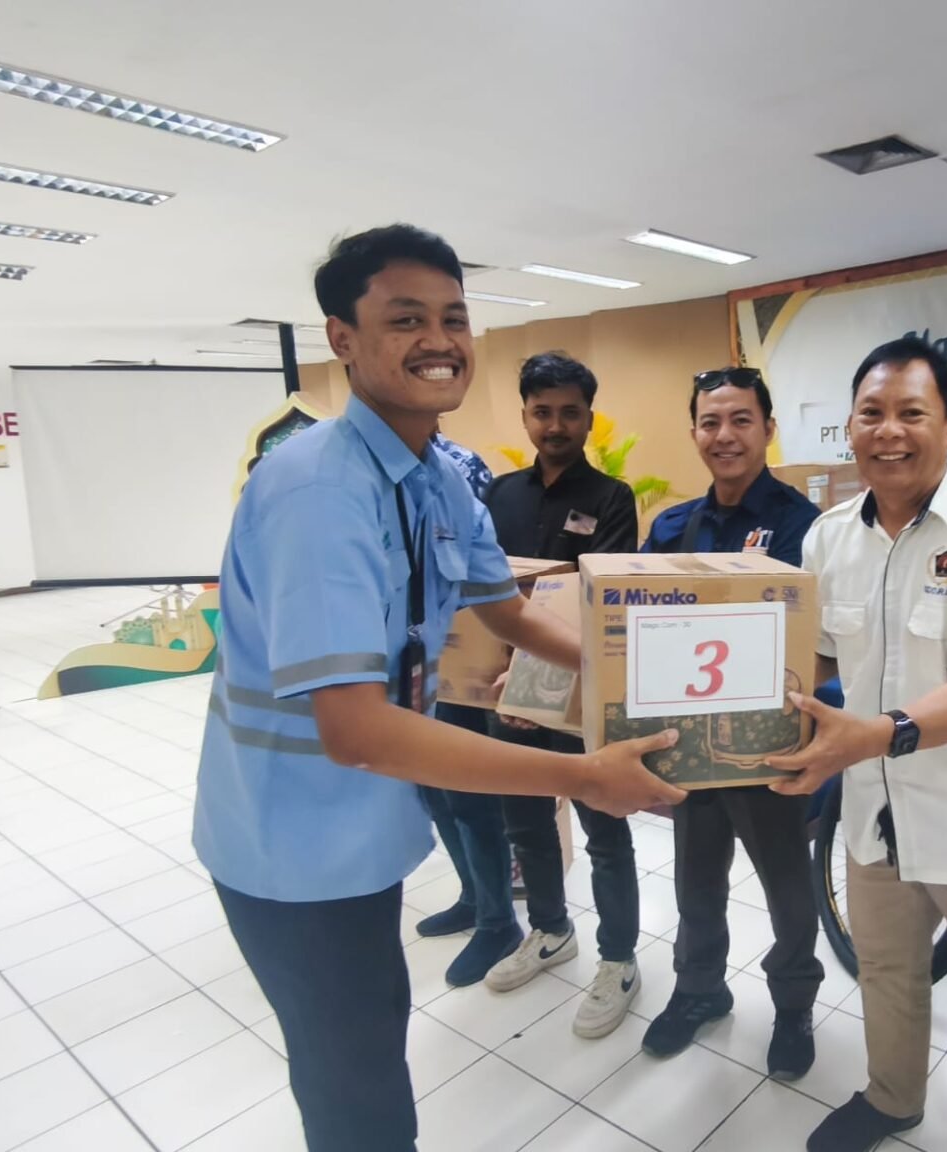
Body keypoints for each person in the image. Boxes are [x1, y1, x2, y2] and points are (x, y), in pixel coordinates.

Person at [191, 224, 685, 1152]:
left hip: (362, 831)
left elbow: (510, 613)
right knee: (357, 1090)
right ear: (342, 338)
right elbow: (357, 731)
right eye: (406, 318)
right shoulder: (317, 493)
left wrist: (639, 678)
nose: (439, 339)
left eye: (454, 318)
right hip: (290, 844)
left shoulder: (435, 477)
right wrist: (582, 777)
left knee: (374, 1038)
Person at [771, 337, 947, 1152]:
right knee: (887, 972)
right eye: (871, 413)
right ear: (850, 428)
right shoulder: (829, 538)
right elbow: (820, 656)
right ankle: (893, 1097)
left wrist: (875, 734)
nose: (888, 431)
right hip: (875, 812)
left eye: (910, 413)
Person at [640, 366, 824, 1080]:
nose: (725, 435)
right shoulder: (672, 528)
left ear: (767, 429)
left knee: (787, 889)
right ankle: (699, 990)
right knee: (695, 882)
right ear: (694, 432)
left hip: (767, 745)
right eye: (710, 422)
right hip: (689, 743)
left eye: (741, 420)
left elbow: (819, 642)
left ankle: (794, 1005)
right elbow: (633, 625)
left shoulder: (806, 527)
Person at [477, 351, 645, 1038]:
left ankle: (619, 959)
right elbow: (484, 595)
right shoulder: (499, 496)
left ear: (588, 419)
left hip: (579, 697)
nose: (555, 425)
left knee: (604, 830)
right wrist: (508, 681)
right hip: (501, 695)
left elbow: (600, 605)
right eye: (542, 412)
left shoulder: (611, 499)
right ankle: (549, 930)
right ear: (525, 416)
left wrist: (529, 678)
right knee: (524, 822)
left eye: (569, 413)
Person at [410, 428, 523, 990]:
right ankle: (473, 896)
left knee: (472, 798)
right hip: (412, 668)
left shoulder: (459, 469)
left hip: (467, 664)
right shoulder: (366, 474)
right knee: (436, 795)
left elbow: (494, 580)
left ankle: (498, 921)